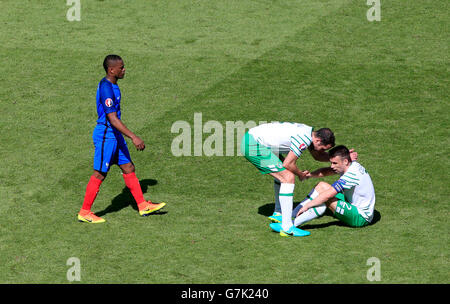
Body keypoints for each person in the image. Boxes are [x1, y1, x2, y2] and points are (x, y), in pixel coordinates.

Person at [78, 54, 166, 223]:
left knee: (128, 167)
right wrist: (134, 137)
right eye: (121, 67)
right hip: (106, 135)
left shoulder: (112, 85)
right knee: (100, 173)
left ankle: (142, 205)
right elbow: (112, 118)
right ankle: (84, 212)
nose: (124, 70)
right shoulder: (106, 88)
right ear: (112, 70)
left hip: (115, 135)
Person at [241, 122, 335, 237]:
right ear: (318, 141)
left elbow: (317, 156)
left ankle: (278, 213)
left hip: (254, 140)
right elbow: (288, 164)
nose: (322, 151)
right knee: (288, 177)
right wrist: (300, 174)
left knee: (285, 175)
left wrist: (342, 158)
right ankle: (287, 227)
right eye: (323, 148)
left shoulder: (309, 133)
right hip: (253, 145)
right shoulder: (304, 138)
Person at [271, 145, 375, 233]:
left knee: (324, 199)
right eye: (331, 163)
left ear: (346, 161)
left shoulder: (351, 175)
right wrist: (310, 175)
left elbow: (327, 195)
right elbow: (327, 171)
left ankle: (291, 226)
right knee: (321, 186)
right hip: (351, 203)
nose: (332, 166)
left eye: (335, 163)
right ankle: (291, 216)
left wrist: (307, 206)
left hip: (360, 217)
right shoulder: (351, 165)